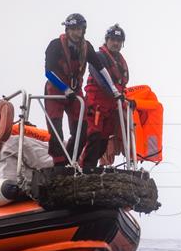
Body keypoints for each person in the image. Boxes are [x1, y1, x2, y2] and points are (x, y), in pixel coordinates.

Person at [44, 13, 124, 166]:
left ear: (83, 30)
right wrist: (65, 89)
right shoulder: (55, 45)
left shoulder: (87, 48)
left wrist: (115, 91)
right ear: (67, 30)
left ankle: (71, 161)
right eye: (72, 29)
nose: (75, 32)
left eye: (78, 29)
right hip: (55, 91)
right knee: (56, 131)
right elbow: (48, 72)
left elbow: (101, 69)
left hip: (75, 93)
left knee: (81, 131)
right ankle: (59, 165)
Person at [82, 24, 131, 167]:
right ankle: (85, 169)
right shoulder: (98, 57)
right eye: (113, 39)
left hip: (111, 107)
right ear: (107, 40)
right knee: (94, 136)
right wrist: (115, 94)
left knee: (104, 142)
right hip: (96, 104)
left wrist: (125, 99)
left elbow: (122, 86)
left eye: (119, 40)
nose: (115, 43)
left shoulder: (121, 64)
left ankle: (90, 168)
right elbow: (101, 80)